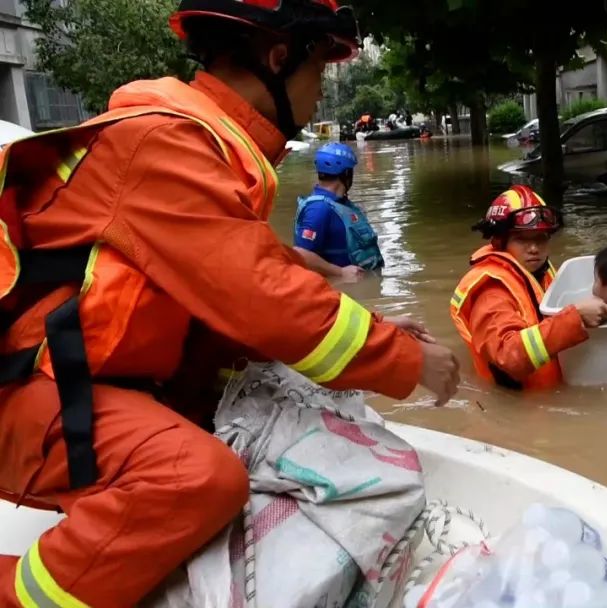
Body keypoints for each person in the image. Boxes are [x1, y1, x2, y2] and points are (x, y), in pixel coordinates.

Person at [0, 1, 460, 606]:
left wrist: (375, 324)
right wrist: (405, 360)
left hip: (82, 383)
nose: (320, 96)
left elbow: (249, 283)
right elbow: (263, 297)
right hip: (35, 393)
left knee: (256, 397)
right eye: (318, 74)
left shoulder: (198, 150)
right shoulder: (161, 143)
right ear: (277, 59)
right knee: (198, 480)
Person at [449, 185, 607, 390]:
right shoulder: (492, 291)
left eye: (540, 238)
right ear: (501, 242)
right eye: (522, 239)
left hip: (550, 396)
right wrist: (575, 318)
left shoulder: (542, 272)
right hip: (516, 409)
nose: (534, 248)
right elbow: (508, 356)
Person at [294, 142, 384, 279]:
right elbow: (300, 254)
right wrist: (340, 272)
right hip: (342, 292)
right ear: (346, 173)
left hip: (362, 289)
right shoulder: (319, 209)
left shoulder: (341, 204)